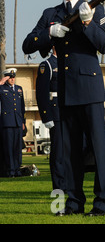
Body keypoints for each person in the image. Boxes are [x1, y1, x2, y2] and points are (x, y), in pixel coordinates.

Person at [22, 0, 105, 216]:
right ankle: (72, 203)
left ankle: (102, 204)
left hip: (90, 88)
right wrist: (50, 33)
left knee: (99, 150)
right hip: (65, 90)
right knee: (70, 152)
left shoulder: (96, 9)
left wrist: (87, 24)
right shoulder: (51, 14)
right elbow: (28, 44)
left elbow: (104, 45)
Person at [35, 46, 65, 191]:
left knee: (69, 151)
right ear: (54, 46)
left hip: (68, 112)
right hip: (56, 112)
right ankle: (59, 186)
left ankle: (70, 183)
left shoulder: (68, 62)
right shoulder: (46, 65)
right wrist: (46, 115)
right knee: (58, 152)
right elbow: (41, 93)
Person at [0, 69, 26, 178]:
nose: (12, 79)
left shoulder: (19, 89)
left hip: (18, 122)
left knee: (17, 148)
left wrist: (23, 121)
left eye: (13, 77)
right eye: (9, 77)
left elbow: (22, 107)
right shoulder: (2, 88)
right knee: (9, 148)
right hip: (7, 122)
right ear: (6, 78)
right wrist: (0, 83)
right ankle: (10, 171)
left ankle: (17, 170)